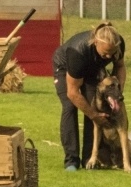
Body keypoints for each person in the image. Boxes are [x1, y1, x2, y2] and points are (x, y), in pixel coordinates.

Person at [52, 23, 126, 171]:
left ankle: (89, 158)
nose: (109, 57)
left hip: (93, 69)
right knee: (70, 106)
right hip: (65, 67)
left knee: (94, 106)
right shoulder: (78, 51)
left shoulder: (118, 43)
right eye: (105, 53)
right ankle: (71, 161)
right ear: (96, 42)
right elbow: (72, 93)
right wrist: (94, 115)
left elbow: (120, 67)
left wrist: (116, 94)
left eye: (112, 53)